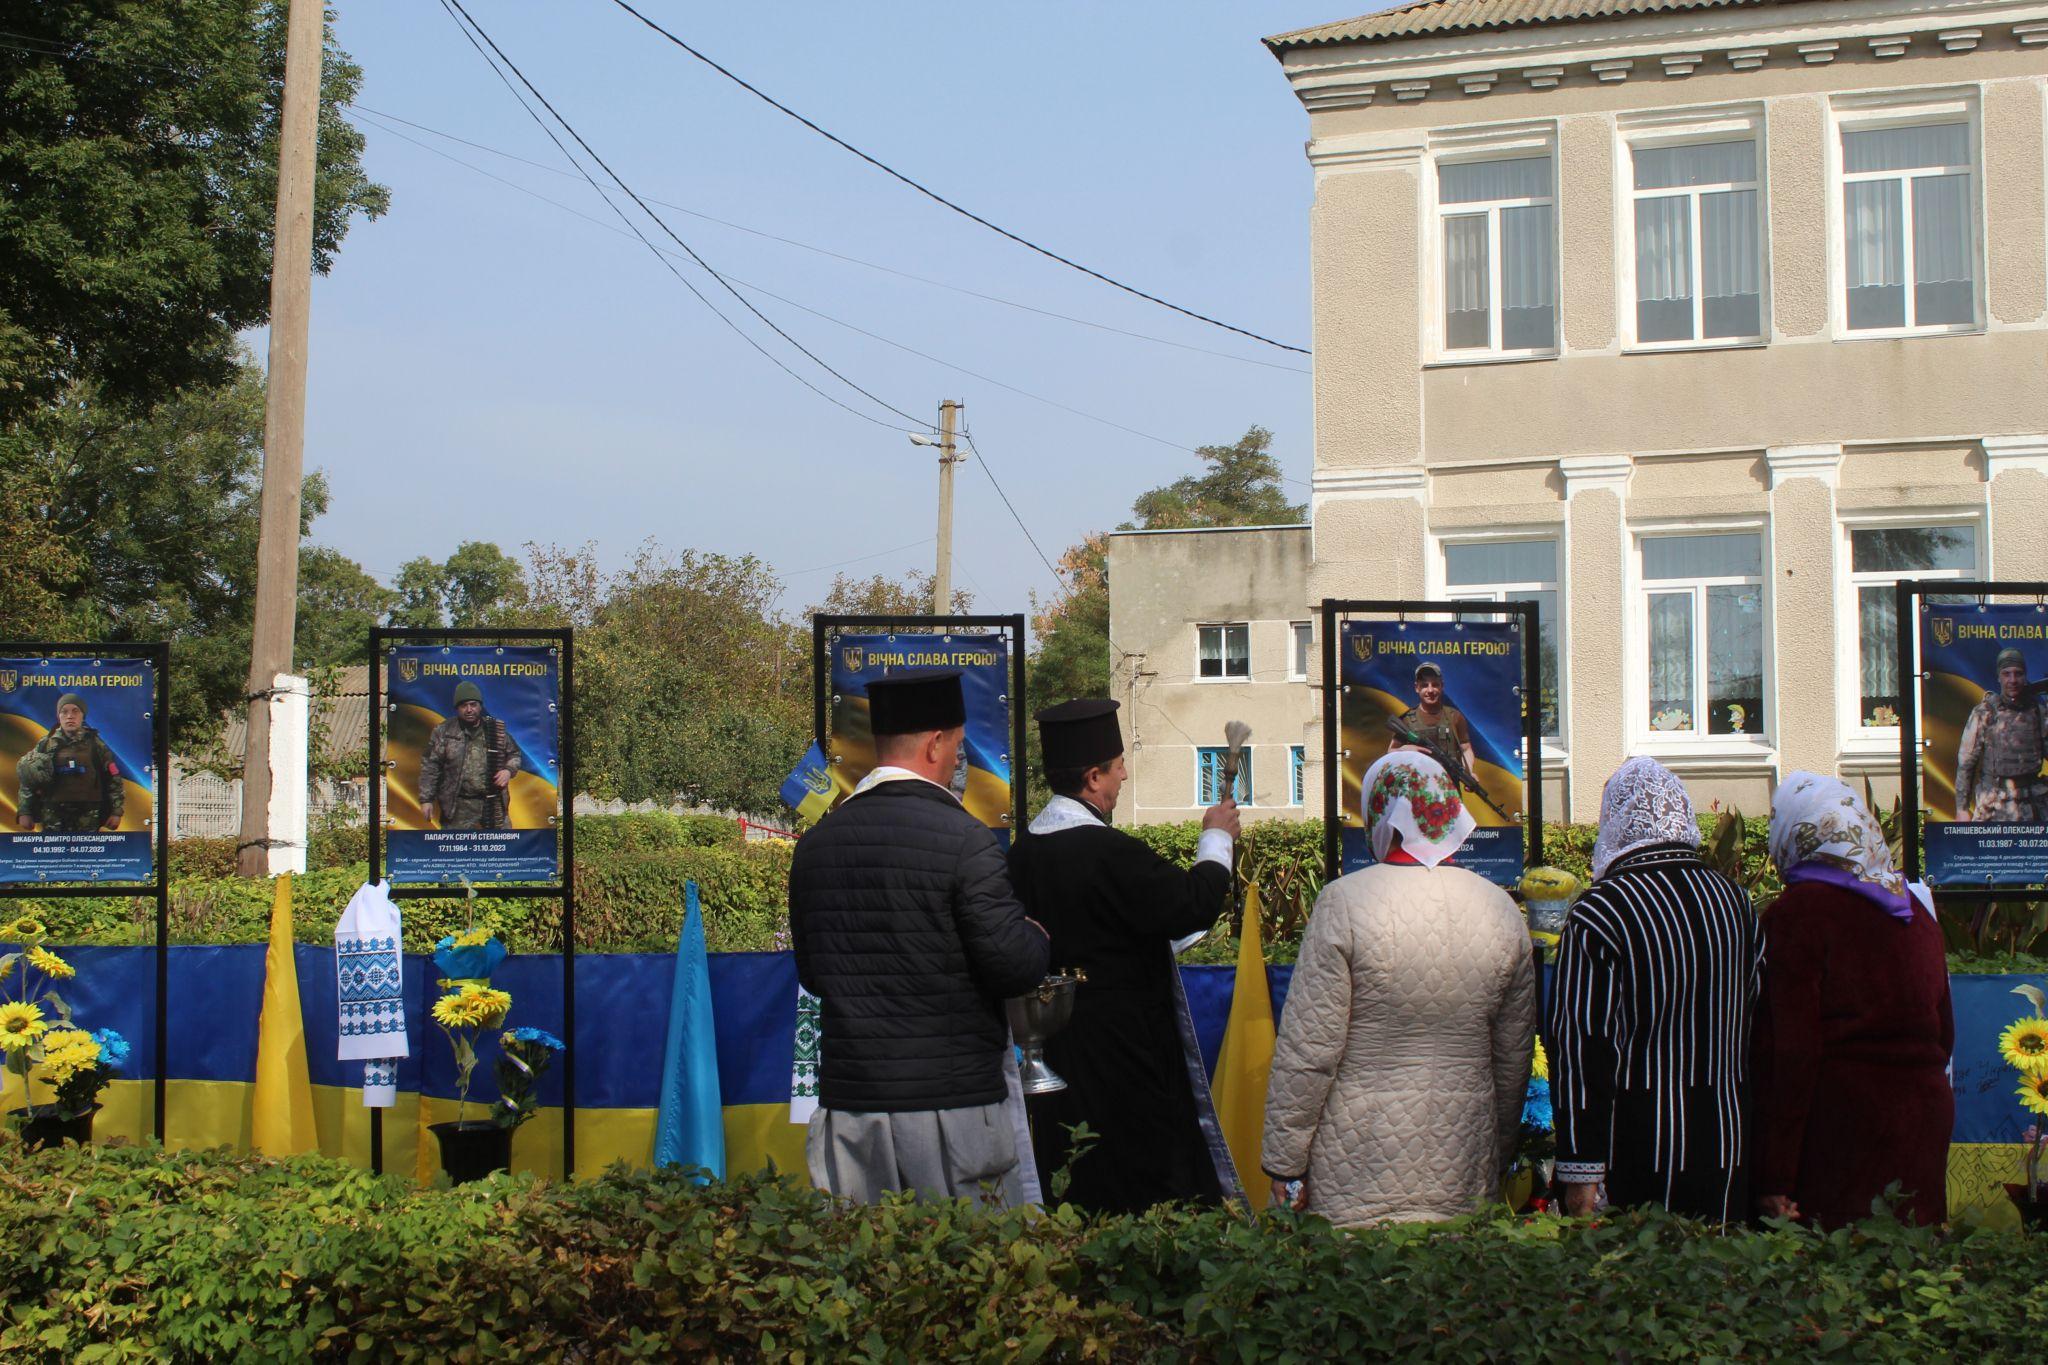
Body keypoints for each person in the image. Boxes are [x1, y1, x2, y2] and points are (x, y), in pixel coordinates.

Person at [789, 669, 1050, 1206]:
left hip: (852, 1110)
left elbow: (815, 974)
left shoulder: (816, 846)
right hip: (950, 1110)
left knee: (861, 1277)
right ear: (935, 744)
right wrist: (1033, 936)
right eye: (957, 746)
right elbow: (1013, 967)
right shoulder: (965, 840)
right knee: (968, 1278)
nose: (960, 760)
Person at [1261, 751, 1535, 1227]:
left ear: (1379, 814)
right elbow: (1513, 1060)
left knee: (1360, 1289)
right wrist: (1498, 1148)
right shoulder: (1501, 910)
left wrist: (1284, 1162)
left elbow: (1310, 1050)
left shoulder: (1344, 903)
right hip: (1464, 1157)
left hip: (1356, 1164)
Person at [1006, 698, 1240, 1213]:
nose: (1125, 775)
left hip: (1055, 1050)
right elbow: (1191, 904)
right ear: (1093, 777)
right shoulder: (1109, 853)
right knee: (1135, 1177)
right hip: (1123, 1051)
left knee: (1069, 1173)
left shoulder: (1023, 850)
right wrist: (1217, 839)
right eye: (1117, 766)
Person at [1547, 757, 1763, 1223]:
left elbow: (1583, 1047)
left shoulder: (1600, 913)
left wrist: (1581, 1171)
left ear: (1616, 820)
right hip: (1728, 1143)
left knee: (1638, 1284)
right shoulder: (1736, 903)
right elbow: (1756, 1021)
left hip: (1638, 1152)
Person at [1752, 772, 1952, 1228]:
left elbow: (1789, 1054)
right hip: (1924, 1121)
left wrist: (1773, 1173)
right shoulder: (1914, 911)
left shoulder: (1799, 914)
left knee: (1838, 1280)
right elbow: (1946, 1031)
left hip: (1842, 1133)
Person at [1955, 647, 2048, 822]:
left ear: (2025, 676)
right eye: (2007, 674)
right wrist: (1962, 809)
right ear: (1999, 677)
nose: (2013, 680)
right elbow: (1966, 764)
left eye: (2018, 674)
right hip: (1995, 806)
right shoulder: (1984, 713)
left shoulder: (2038, 711)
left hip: (2033, 805)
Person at [417, 681, 520, 830]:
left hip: (493, 803)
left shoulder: (495, 731)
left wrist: (508, 771)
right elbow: (430, 766)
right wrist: (426, 800)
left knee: (502, 848)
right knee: (456, 850)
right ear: (457, 708)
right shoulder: (444, 732)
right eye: (463, 705)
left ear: (480, 706)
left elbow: (514, 754)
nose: (469, 710)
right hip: (458, 806)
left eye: (473, 704)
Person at [15, 693, 123, 833]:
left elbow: (114, 779)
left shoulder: (96, 745)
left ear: (83, 716)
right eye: (64, 712)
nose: (70, 716)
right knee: (53, 853)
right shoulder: (46, 744)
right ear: (58, 716)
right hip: (53, 815)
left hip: (88, 816)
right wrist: (25, 812)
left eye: (75, 711)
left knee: (88, 853)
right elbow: (28, 779)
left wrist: (116, 812)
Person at [1390, 663, 1476, 778]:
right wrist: (1403, 750)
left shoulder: (1454, 716)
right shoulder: (1406, 719)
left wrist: (1468, 772)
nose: (1430, 690)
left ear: (1442, 686)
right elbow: (1390, 751)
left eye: (1435, 685)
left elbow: (1466, 749)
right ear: (1417, 688)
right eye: (1425, 685)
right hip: (1417, 789)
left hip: (1449, 787)